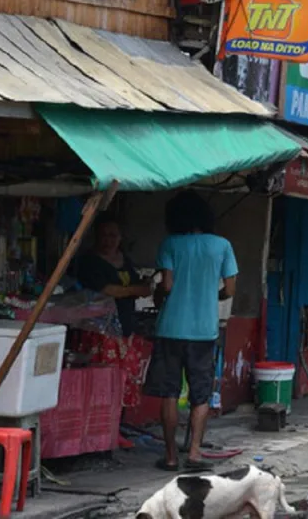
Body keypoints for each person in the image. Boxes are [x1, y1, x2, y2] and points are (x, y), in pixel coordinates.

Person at [144, 191, 237, 473]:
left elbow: (167, 286)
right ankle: (194, 454)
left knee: (170, 393)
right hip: (204, 331)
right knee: (200, 395)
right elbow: (230, 290)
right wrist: (211, 294)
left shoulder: (170, 244)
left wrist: (160, 293)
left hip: (171, 328)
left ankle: (171, 457)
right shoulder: (222, 246)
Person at [75, 212, 152, 337]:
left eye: (113, 236)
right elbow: (107, 289)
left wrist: (144, 285)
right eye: (103, 235)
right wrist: (136, 289)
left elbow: (133, 285)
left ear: (120, 237)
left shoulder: (125, 260)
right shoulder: (89, 261)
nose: (108, 240)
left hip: (126, 322)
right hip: (98, 326)